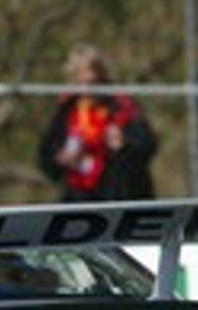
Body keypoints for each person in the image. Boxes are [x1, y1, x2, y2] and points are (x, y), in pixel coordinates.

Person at [37, 45, 157, 202]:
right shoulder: (66, 109)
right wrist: (61, 158)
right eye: (82, 78)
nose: (88, 84)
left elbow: (148, 144)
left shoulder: (122, 105)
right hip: (80, 199)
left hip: (121, 197)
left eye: (94, 80)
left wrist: (124, 144)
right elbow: (46, 155)